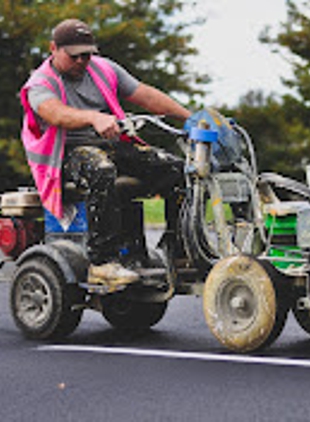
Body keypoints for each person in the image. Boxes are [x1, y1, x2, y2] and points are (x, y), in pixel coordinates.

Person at [20, 18, 192, 285]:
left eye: (87, 54)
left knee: (177, 169)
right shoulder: (41, 82)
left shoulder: (103, 69)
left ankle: (178, 250)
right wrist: (93, 118)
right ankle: (102, 262)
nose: (82, 61)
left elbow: (144, 94)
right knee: (101, 169)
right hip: (66, 154)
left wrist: (189, 118)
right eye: (74, 55)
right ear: (53, 48)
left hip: (109, 146)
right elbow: (53, 112)